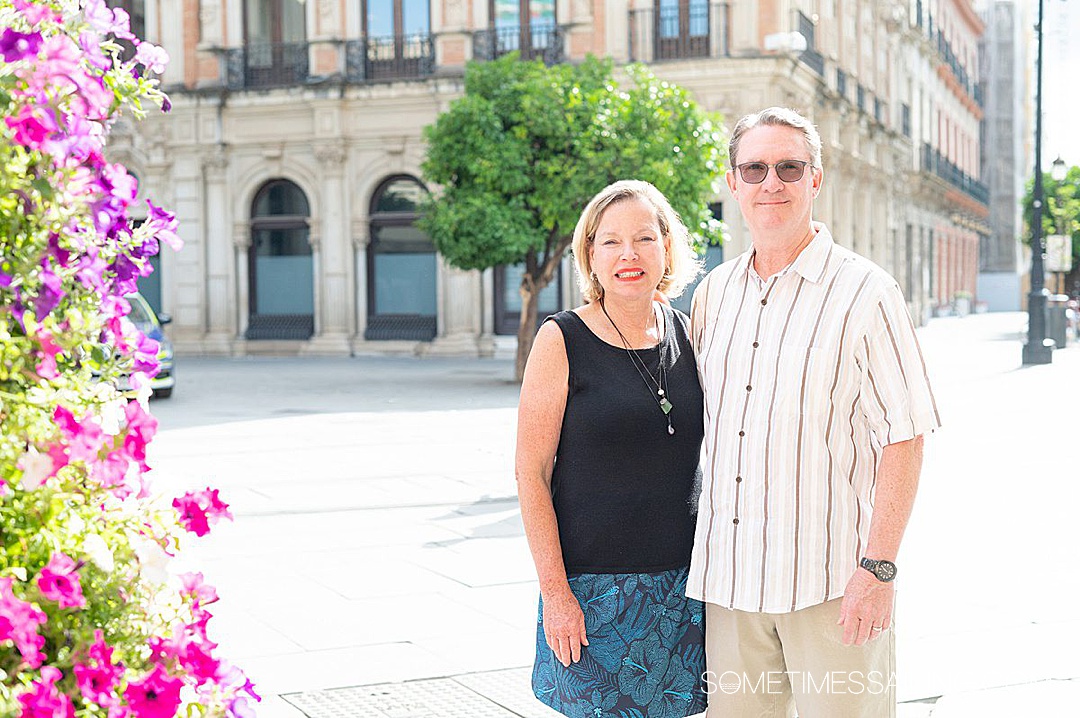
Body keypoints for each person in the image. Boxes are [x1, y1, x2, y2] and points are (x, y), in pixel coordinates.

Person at [687, 107, 941, 717]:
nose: (770, 182)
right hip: (731, 591)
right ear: (733, 183)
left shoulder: (867, 291)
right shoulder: (712, 295)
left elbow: (905, 436)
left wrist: (878, 570)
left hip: (832, 587)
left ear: (815, 180)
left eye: (789, 167)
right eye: (754, 168)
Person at [517, 180, 708, 717]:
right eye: (610, 242)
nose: (629, 254)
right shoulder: (561, 339)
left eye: (645, 238)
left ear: (666, 248)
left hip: (683, 589)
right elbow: (530, 475)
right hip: (591, 595)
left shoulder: (689, 333)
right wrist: (556, 595)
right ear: (590, 257)